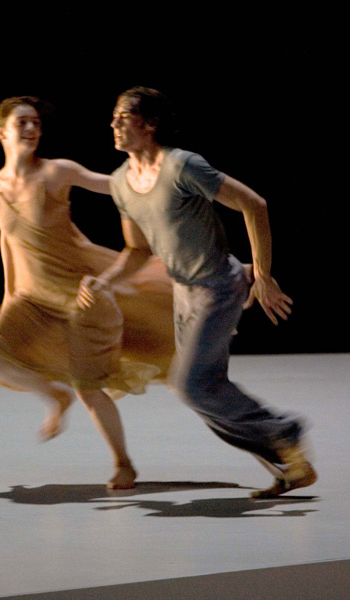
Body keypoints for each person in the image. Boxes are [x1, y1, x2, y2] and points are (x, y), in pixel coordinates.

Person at [78, 86, 317, 498]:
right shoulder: (121, 183)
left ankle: (286, 434)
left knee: (193, 385)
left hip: (219, 285)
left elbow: (253, 204)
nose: (113, 123)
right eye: (113, 117)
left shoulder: (183, 166)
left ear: (149, 124)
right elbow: (137, 250)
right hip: (184, 294)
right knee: (196, 391)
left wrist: (262, 275)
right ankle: (288, 465)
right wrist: (105, 281)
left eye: (123, 116)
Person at [0, 96, 176, 490]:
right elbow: (8, 239)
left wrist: (156, 180)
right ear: (1, 132)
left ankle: (123, 464)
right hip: (32, 297)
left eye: (35, 122)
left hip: (79, 294)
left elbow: (118, 187)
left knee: (89, 386)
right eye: (22, 123)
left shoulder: (56, 172)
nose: (32, 129)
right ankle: (55, 397)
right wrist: (8, 294)